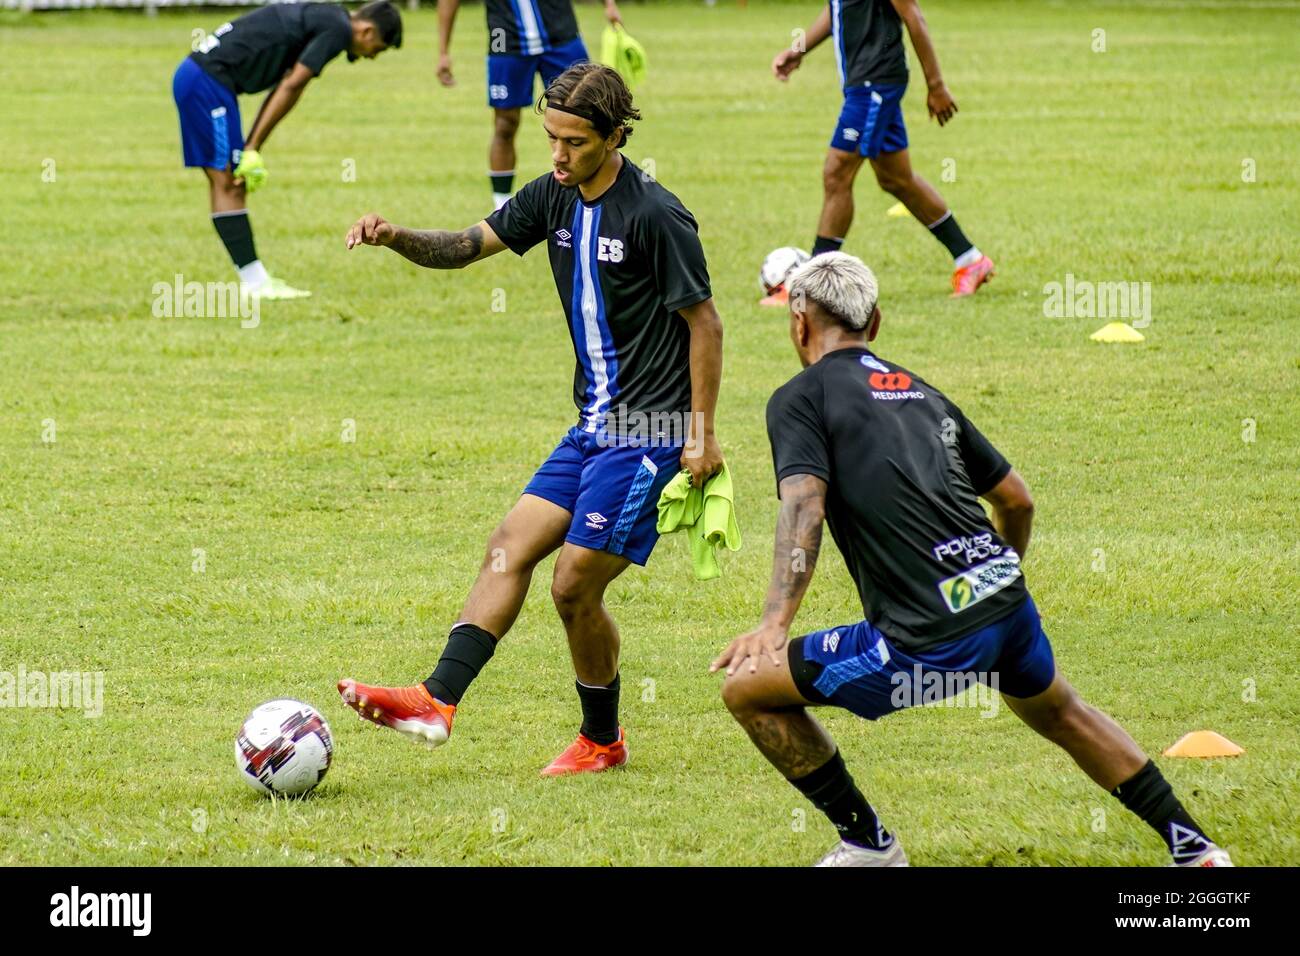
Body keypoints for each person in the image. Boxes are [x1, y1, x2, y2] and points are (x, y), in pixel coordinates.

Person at [713, 252, 1232, 867]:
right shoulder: (923, 393)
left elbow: (804, 509)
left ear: (798, 324)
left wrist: (773, 624)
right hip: (1005, 607)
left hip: (925, 641)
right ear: (874, 322)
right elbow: (1017, 499)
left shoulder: (799, 398)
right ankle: (1195, 850)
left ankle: (869, 846)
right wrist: (992, 576)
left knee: (747, 689)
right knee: (1064, 712)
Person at [339, 64, 725, 776]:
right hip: (592, 429)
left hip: (650, 435)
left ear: (614, 138)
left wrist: (701, 434)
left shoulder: (656, 214)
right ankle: (437, 700)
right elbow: (464, 246)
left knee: (573, 584)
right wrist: (395, 237)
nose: (557, 155)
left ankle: (601, 740)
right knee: (507, 546)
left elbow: (705, 323)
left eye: (574, 142)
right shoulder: (553, 196)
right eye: (551, 138)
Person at [173, 1, 402, 299]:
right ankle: (255, 284)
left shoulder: (327, 16)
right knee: (229, 181)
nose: (372, 56)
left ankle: (255, 281)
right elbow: (293, 84)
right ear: (368, 30)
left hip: (206, 80)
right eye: (379, 49)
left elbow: (287, 81)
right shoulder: (337, 29)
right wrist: (252, 146)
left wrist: (252, 146)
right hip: (206, 82)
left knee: (229, 180)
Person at [768, 0, 994, 301]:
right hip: (865, 84)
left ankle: (810, 286)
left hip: (875, 84)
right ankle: (970, 260)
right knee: (897, 179)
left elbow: (913, 15)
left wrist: (936, 85)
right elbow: (837, 8)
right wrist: (799, 49)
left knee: (837, 173)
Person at [435, 0, 623, 209]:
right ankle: (502, 208)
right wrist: (443, 52)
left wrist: (609, 5)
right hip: (504, 40)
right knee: (505, 125)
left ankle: (603, 196)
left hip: (561, 33)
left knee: (587, 118)